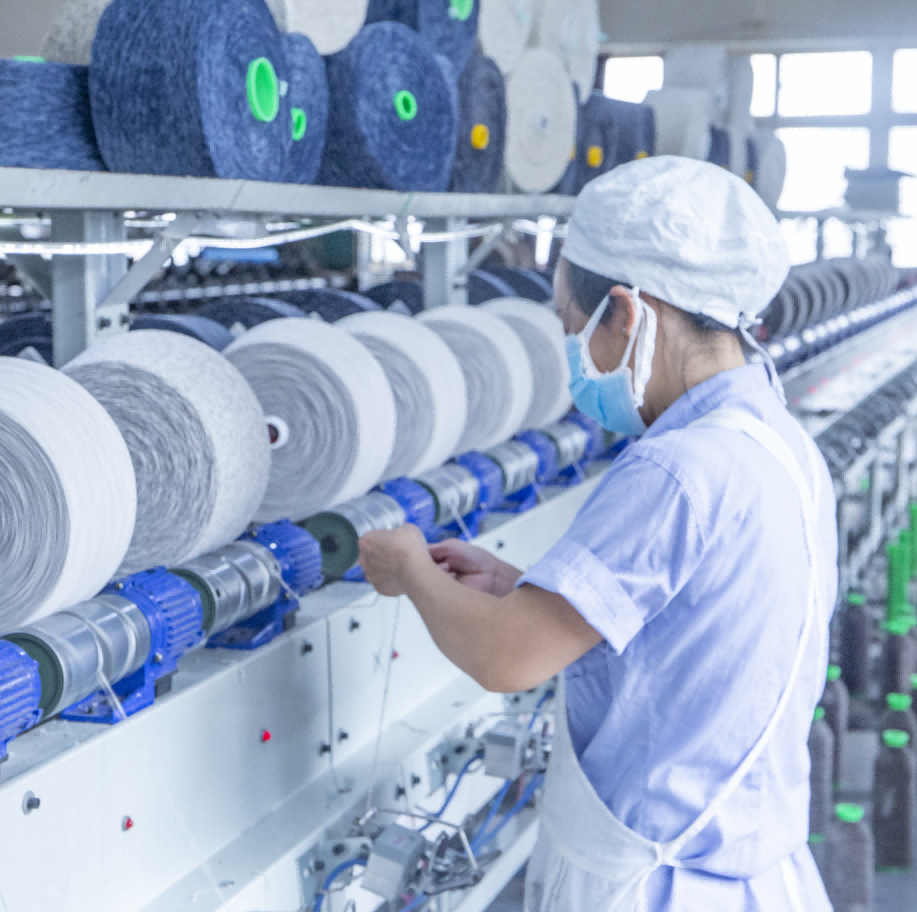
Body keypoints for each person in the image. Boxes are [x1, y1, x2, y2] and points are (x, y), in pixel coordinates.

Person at [358, 156, 837, 912]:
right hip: (751, 876)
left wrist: (411, 570)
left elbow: (505, 657)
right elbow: (685, 626)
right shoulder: (777, 442)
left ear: (625, 312)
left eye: (570, 326)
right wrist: (522, 590)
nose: (574, 354)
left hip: (657, 887)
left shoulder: (675, 470)